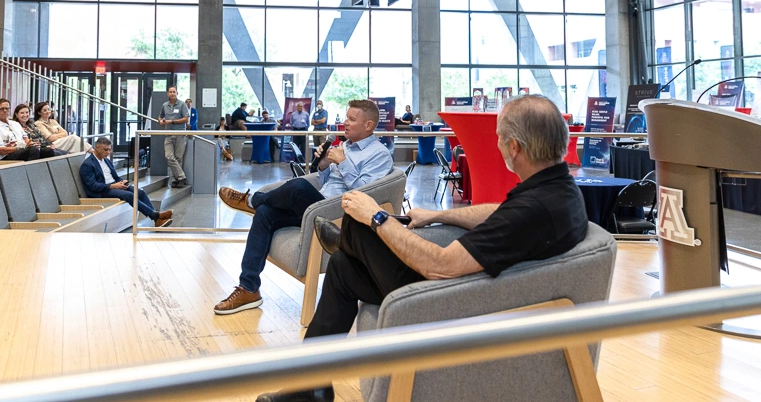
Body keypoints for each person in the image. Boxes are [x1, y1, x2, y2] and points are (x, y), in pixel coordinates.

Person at [253, 95, 589, 402]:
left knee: (360, 220)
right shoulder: (556, 191)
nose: (497, 142)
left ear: (514, 147)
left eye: (499, 136)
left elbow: (440, 266)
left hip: (444, 304)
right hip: (471, 291)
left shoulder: (535, 209)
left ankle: (346, 237)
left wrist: (378, 217)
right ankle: (309, 387)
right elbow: (499, 212)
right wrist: (438, 215)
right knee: (342, 267)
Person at [213, 99, 393, 316]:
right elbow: (328, 182)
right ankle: (248, 288)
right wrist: (326, 164)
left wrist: (343, 162)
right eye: (346, 117)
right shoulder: (345, 145)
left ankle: (253, 200)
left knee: (298, 186)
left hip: (339, 215)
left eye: (352, 119)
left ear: (369, 125)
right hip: (318, 206)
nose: (345, 122)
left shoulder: (379, 154)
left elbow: (364, 195)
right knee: (265, 214)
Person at [79, 137, 173, 227]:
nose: (108, 152)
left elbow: (115, 177)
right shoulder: (88, 164)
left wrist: (121, 182)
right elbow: (92, 186)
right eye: (106, 150)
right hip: (102, 191)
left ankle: (156, 218)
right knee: (129, 195)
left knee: (140, 192)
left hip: (114, 186)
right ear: (97, 147)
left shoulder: (106, 161)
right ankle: (156, 216)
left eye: (109, 149)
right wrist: (112, 186)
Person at [160, 86, 190, 188]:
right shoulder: (165, 105)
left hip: (180, 134)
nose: (172, 93)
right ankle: (182, 176)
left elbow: (186, 119)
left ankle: (175, 179)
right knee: (169, 157)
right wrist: (161, 120)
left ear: (177, 93)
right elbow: (160, 116)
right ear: (167, 94)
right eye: (170, 92)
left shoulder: (182, 104)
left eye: (174, 92)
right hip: (168, 134)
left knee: (178, 158)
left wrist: (172, 121)